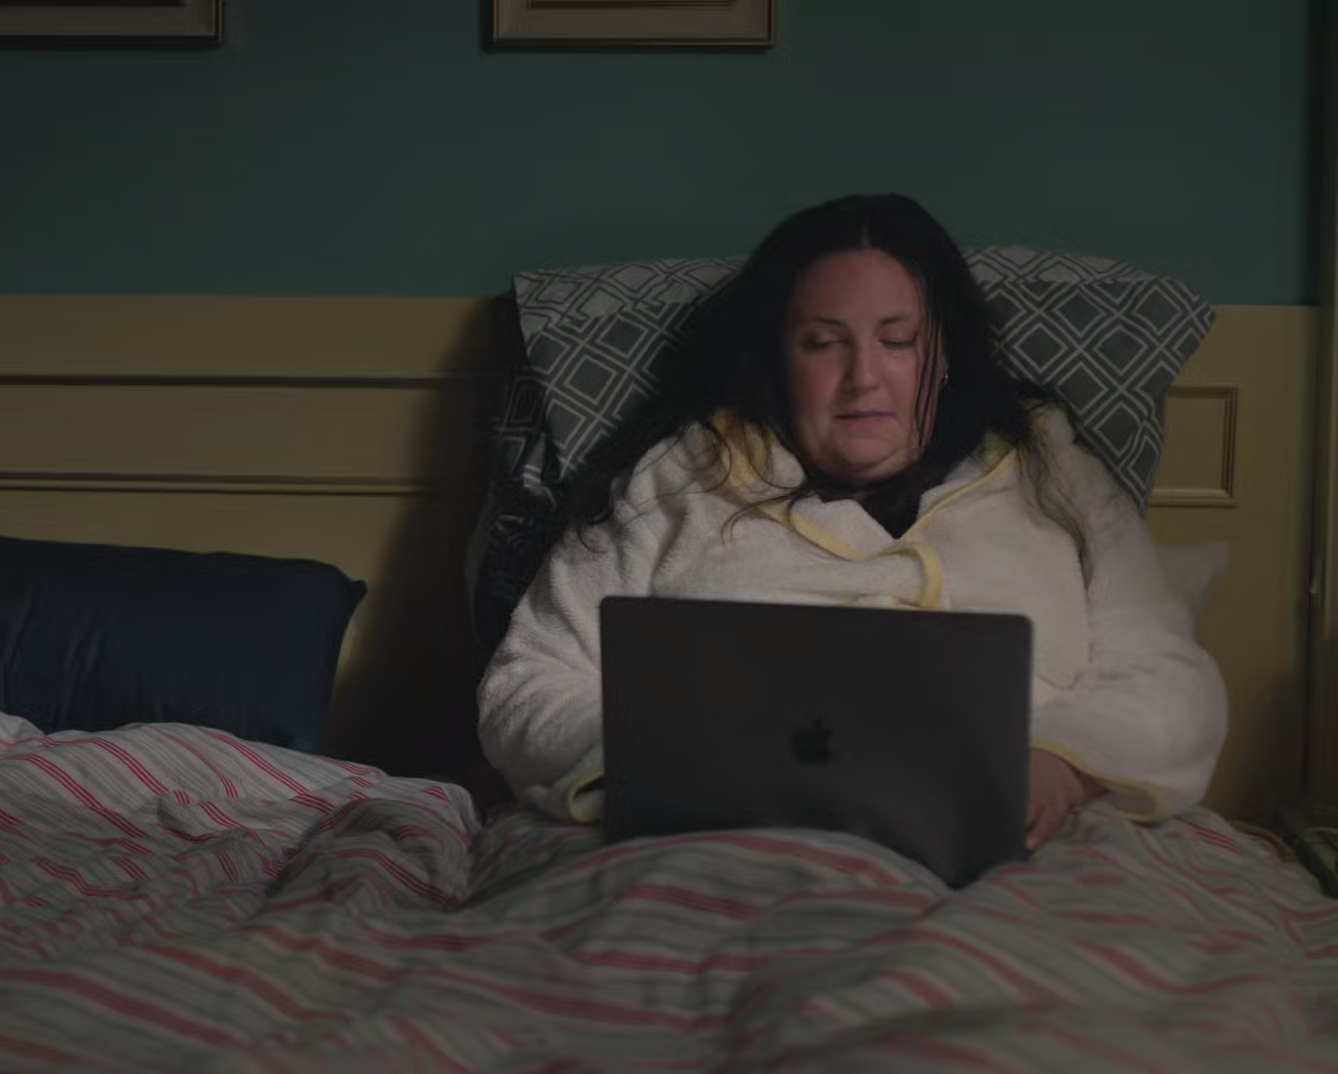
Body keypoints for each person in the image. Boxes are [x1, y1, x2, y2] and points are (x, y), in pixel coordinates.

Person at [476, 194, 1227, 852]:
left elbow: (1169, 678)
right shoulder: (677, 480)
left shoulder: (1054, 474)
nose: (864, 377)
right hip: (715, 848)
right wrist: (676, 758)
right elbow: (527, 683)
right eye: (823, 343)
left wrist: (1062, 767)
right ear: (779, 357)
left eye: (899, 341)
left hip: (1025, 852)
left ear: (944, 355)